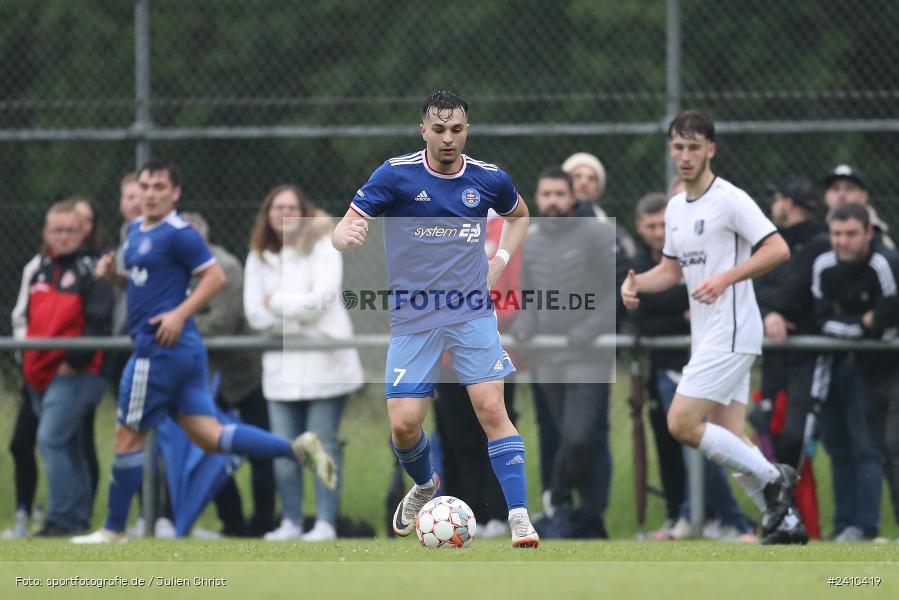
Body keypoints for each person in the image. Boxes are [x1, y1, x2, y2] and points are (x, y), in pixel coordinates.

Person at [72, 158, 337, 544]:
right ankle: (296, 449)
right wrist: (115, 277)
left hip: (157, 350)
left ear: (175, 193)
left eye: (159, 187)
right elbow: (147, 285)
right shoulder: (136, 231)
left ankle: (113, 529)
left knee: (127, 436)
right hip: (183, 352)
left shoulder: (179, 232)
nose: (150, 194)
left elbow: (215, 277)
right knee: (209, 434)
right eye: (144, 186)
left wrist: (179, 314)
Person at [332, 90, 538, 548]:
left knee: (491, 409)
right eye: (439, 130)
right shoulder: (396, 174)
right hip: (414, 317)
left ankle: (520, 517)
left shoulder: (488, 179)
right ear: (423, 130)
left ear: (468, 130)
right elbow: (343, 230)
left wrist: (501, 258)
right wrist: (346, 234)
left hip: (470, 313)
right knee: (404, 425)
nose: (448, 138)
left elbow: (520, 215)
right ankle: (425, 484)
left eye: (457, 130)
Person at [620, 110, 804, 545]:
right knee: (728, 437)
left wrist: (726, 277)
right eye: (678, 147)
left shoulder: (730, 199)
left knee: (681, 422)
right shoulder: (675, 208)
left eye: (694, 147)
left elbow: (778, 249)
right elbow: (670, 270)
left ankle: (776, 477)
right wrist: (635, 283)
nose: (685, 156)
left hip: (735, 329)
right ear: (671, 149)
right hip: (708, 334)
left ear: (710, 150)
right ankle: (785, 524)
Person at [631, 192, 755, 542]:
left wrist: (671, 305)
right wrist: (677, 308)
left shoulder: (707, 250)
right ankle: (693, 516)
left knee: (712, 441)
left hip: (710, 358)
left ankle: (736, 519)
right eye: (651, 224)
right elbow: (639, 313)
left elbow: (690, 295)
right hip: (671, 366)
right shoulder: (644, 261)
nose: (658, 230)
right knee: (689, 442)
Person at [244, 185, 363, 542]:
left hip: (326, 365)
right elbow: (254, 315)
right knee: (285, 449)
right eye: (277, 207)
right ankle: (291, 522)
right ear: (266, 214)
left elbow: (322, 302)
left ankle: (325, 522)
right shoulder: (258, 257)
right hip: (281, 370)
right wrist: (298, 308)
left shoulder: (325, 246)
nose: (284, 213)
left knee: (322, 445)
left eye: (291, 207)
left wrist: (275, 302)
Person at [510, 166, 615, 538]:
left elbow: (616, 292)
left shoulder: (598, 235)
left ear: (573, 198)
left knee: (579, 437)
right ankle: (584, 523)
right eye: (546, 194)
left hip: (589, 356)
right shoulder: (532, 240)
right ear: (537, 199)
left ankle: (555, 499)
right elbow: (530, 301)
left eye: (559, 194)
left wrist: (587, 331)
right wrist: (524, 325)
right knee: (564, 439)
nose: (553, 201)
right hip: (547, 359)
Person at [180, 211, 276, 538]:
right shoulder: (177, 269)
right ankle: (233, 525)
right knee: (210, 447)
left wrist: (177, 321)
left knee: (260, 450)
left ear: (202, 238)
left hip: (246, 375)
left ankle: (263, 524)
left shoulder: (226, 267)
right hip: (208, 376)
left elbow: (222, 323)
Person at [23, 200, 113, 535]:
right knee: (69, 444)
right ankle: (76, 518)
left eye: (71, 230)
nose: (64, 236)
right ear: (46, 233)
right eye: (57, 230)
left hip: (77, 371)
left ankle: (60, 520)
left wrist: (71, 363)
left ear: (83, 232)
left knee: (50, 439)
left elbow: (99, 324)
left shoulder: (93, 270)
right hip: (39, 372)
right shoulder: (40, 270)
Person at [431, 208, 522, 540]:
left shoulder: (504, 230)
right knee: (457, 438)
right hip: (444, 356)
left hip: (489, 348)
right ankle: (466, 515)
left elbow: (513, 292)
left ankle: (499, 512)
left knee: (495, 428)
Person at [811, 203, 899, 542]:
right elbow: (822, 320)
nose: (842, 241)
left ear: (868, 233)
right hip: (839, 366)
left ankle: (867, 525)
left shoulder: (884, 265)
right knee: (838, 446)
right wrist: (860, 323)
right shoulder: (824, 266)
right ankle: (844, 524)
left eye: (850, 234)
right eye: (836, 234)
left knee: (873, 446)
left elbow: (887, 317)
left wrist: (857, 323)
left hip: (882, 370)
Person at [753, 175, 830, 539]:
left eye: (778, 198)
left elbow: (791, 292)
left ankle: (796, 519)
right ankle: (783, 519)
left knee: (796, 438)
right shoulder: (770, 241)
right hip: (775, 353)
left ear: (791, 203)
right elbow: (754, 286)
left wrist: (770, 305)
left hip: (806, 354)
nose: (773, 206)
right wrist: (769, 312)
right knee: (767, 430)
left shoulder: (816, 243)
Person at [823, 164, 895, 250]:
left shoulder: (878, 235)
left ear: (863, 196)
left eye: (849, 188)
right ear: (826, 196)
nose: (841, 195)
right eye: (836, 189)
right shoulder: (821, 229)